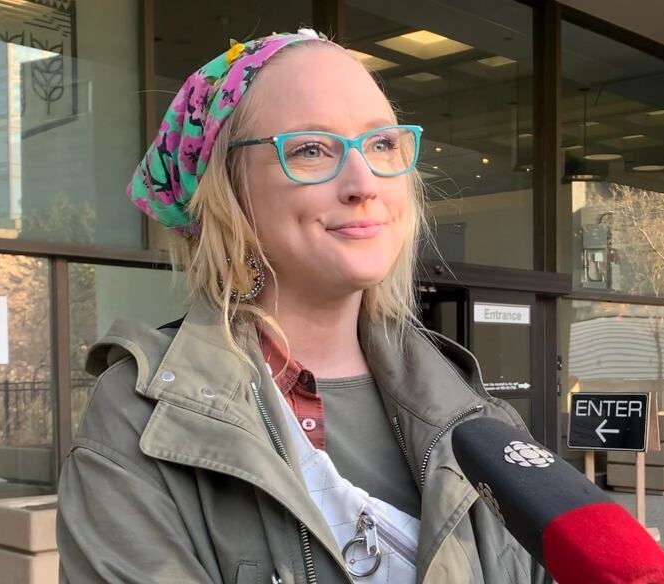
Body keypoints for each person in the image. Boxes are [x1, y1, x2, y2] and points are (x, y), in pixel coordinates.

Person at [57, 29, 544, 584]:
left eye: (382, 144)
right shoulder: (140, 419)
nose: (364, 183)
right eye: (311, 149)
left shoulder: (478, 414)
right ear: (228, 190)